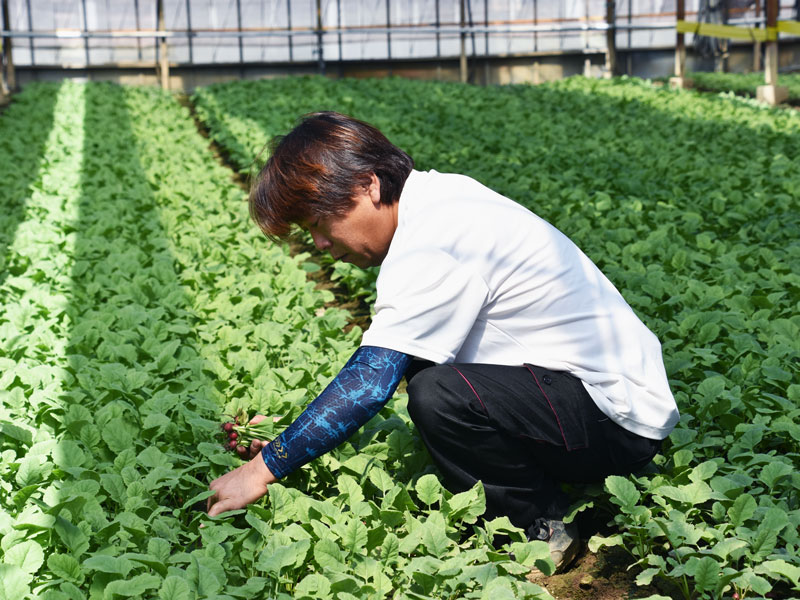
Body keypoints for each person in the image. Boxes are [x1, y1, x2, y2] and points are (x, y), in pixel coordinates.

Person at [206, 111, 680, 571]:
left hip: (613, 419)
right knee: (426, 375)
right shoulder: (437, 201)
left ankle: (543, 521)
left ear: (367, 185)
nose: (321, 245)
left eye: (317, 224)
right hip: (584, 398)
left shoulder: (436, 236)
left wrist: (263, 468)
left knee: (439, 395)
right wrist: (291, 442)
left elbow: (371, 380)